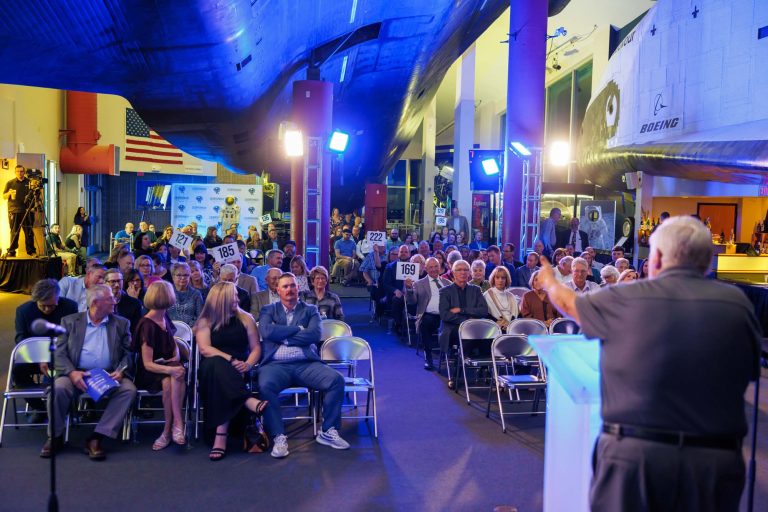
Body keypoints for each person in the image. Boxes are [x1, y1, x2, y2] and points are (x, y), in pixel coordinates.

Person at [536, 215, 762, 512]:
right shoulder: (738, 304)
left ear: (655, 258)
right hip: (714, 461)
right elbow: (749, 373)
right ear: (708, 261)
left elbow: (569, 304)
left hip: (636, 459)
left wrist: (550, 281)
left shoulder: (625, 297)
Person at [258, 273, 349, 458]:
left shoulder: (310, 310)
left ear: (298, 288)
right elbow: (266, 331)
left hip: (306, 364)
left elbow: (314, 335)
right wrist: (298, 330)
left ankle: (328, 430)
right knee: (265, 386)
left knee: (336, 380)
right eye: (285, 286)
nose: (289, 289)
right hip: (275, 365)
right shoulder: (268, 309)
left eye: (292, 285)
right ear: (277, 290)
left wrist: (282, 336)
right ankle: (278, 436)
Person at [41, 284, 136, 460]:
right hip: (76, 372)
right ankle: (55, 436)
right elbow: (59, 353)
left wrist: (121, 371)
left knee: (128, 390)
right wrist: (72, 373)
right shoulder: (69, 322)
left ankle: (97, 437)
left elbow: (128, 353)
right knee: (58, 389)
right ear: (95, 303)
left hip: (108, 373)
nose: (114, 301)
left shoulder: (121, 324)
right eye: (110, 299)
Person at [195, 282, 267, 461]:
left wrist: (248, 364)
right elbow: (205, 349)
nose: (237, 298)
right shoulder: (206, 320)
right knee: (216, 365)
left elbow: (256, 348)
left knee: (223, 378)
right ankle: (247, 400)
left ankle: (220, 438)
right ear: (221, 299)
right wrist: (231, 360)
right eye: (233, 296)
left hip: (240, 369)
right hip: (212, 368)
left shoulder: (246, 318)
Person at [133, 281, 187, 450]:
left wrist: (174, 359)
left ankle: (168, 430)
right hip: (150, 371)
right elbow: (147, 364)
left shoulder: (164, 316)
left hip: (166, 365)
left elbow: (173, 345)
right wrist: (171, 368)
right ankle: (176, 424)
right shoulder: (147, 325)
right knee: (173, 376)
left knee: (175, 374)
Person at [15, 279, 78, 416]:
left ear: (58, 298)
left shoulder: (70, 307)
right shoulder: (23, 311)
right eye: (43, 306)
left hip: (62, 355)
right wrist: (39, 358)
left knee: (63, 372)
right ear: (36, 301)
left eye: (52, 306)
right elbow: (21, 340)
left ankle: (61, 405)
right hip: (34, 357)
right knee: (17, 371)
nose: (47, 309)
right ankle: (41, 408)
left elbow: (74, 338)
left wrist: (54, 358)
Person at [438, 260, 490, 373]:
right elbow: (445, 315)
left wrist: (461, 310)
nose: (463, 272)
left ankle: (484, 370)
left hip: (474, 327)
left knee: (488, 336)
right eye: (459, 270)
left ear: (469, 273)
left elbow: (483, 311)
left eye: (466, 270)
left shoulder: (476, 290)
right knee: (466, 335)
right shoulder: (445, 291)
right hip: (452, 328)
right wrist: (467, 320)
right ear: (453, 273)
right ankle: (458, 372)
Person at [404, 257, 451, 370]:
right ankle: (428, 358)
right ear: (425, 268)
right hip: (428, 315)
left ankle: (452, 356)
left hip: (446, 316)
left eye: (436, 266)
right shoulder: (419, 284)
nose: (434, 269)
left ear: (440, 267)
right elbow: (412, 301)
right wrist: (409, 289)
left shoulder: (447, 283)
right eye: (431, 267)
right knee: (425, 323)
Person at [3, 165, 35, 257]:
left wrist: (33, 207)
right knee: (14, 232)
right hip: (14, 210)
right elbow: (4, 196)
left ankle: (31, 250)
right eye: (18, 171)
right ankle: (12, 251)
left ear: (24, 172)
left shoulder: (29, 183)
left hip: (27, 211)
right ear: (15, 172)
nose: (19, 173)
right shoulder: (10, 183)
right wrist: (9, 193)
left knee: (29, 232)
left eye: (21, 171)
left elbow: (35, 196)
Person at [382, 244, 412, 335]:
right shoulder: (390, 267)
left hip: (412, 293)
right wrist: (395, 290)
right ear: (398, 253)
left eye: (406, 252)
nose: (403, 253)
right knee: (397, 300)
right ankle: (398, 324)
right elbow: (386, 284)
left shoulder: (414, 265)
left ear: (409, 254)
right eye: (401, 252)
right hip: (398, 294)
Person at [104, 269, 143, 336]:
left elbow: (137, 330)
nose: (117, 285)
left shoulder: (135, 304)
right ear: (105, 283)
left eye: (119, 281)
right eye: (113, 281)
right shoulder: (98, 302)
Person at [167, 262, 204, 327]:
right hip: (169, 329)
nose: (183, 278)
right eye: (179, 275)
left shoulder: (196, 294)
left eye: (186, 275)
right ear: (173, 276)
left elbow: (200, 316)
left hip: (191, 329)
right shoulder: (166, 292)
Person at [484, 266, 519, 330]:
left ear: (506, 280)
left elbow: (515, 315)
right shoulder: (487, 295)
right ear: (493, 279)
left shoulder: (511, 296)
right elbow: (486, 315)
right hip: (494, 328)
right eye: (497, 277)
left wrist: (509, 325)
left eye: (503, 278)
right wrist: (500, 323)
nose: (500, 280)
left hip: (511, 328)